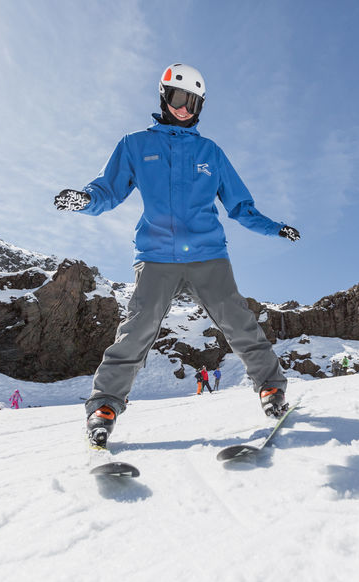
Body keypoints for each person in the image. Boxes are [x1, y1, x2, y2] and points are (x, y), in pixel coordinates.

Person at [56, 63, 300, 446]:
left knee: (237, 319)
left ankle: (271, 387)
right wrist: (84, 199)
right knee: (137, 327)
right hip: (156, 255)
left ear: (200, 106)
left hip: (208, 253)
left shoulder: (211, 152)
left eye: (193, 102)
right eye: (177, 98)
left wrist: (275, 227)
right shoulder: (136, 145)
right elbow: (108, 190)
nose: (184, 107)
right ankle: (105, 404)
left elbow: (240, 206)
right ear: (163, 97)